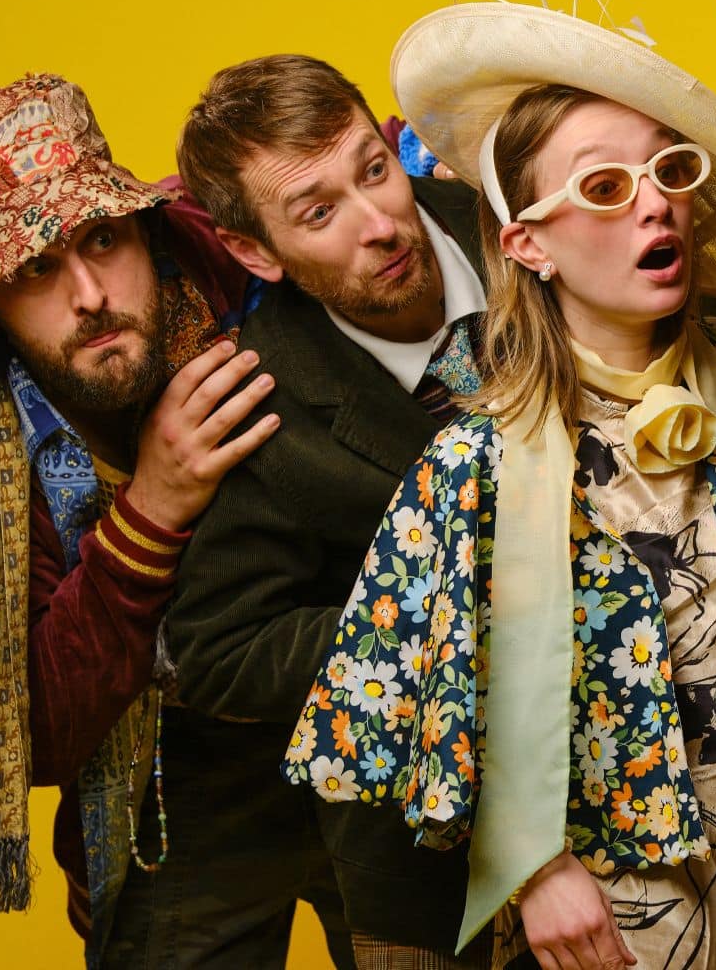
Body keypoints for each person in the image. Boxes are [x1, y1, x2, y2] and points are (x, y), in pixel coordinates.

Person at [284, 0, 716, 970]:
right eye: (605, 187)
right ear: (525, 242)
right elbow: (375, 713)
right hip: (628, 931)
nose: (655, 200)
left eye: (665, 170)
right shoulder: (473, 465)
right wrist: (531, 867)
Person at [0, 73, 273, 963]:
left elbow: (353, 178)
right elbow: (36, 736)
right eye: (37, 270)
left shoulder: (226, 253)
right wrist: (154, 507)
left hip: (357, 722)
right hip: (160, 796)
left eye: (103, 240)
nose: (91, 294)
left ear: (143, 227)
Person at [157, 54, 494, 969]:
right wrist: (433, 623)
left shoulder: (531, 229)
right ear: (254, 251)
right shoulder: (254, 408)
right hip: (426, 876)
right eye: (319, 212)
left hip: (661, 798)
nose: (381, 223)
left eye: (373, 169)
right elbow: (220, 653)